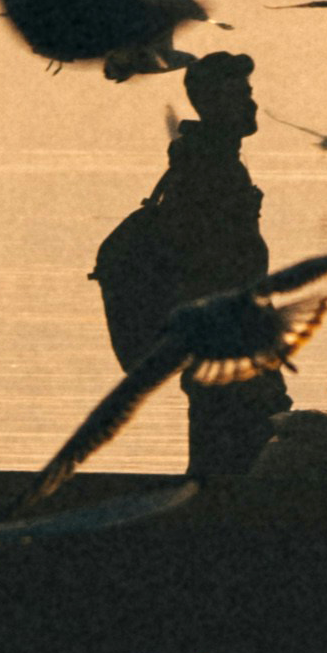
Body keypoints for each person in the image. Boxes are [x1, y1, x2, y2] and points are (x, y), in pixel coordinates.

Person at [90, 52, 283, 480]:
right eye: (240, 95)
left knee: (230, 460)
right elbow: (208, 266)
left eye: (249, 93)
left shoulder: (212, 162)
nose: (251, 104)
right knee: (228, 468)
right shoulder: (208, 171)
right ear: (211, 102)